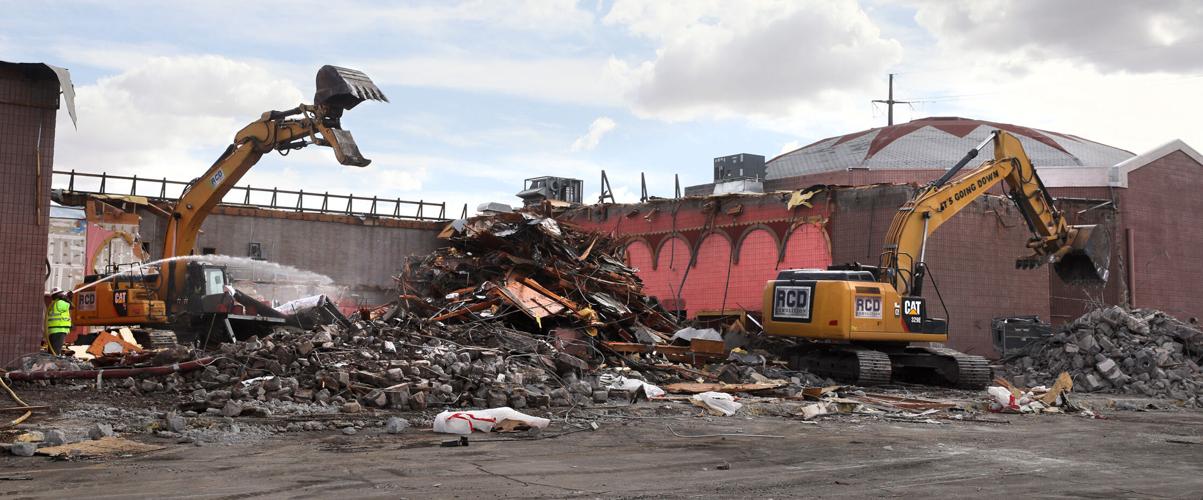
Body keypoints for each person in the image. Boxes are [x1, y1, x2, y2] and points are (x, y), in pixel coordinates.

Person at [45, 287, 72, 355]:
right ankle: (53, 361)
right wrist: (69, 298)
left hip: (53, 330)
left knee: (52, 351)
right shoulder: (60, 303)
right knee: (55, 352)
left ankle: (50, 361)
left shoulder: (53, 304)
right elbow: (72, 306)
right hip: (59, 329)